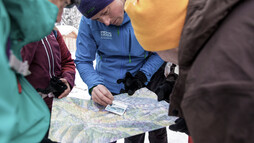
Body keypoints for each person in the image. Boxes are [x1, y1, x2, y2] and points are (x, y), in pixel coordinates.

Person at [124, 0, 254, 143]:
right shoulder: (238, 14)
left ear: (165, 42)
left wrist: (205, 125)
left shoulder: (209, 86)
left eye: (153, 50)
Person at [75, 0, 169, 142]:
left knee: (134, 138)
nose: (106, 22)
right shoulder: (88, 22)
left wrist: (143, 75)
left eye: (106, 12)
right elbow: (83, 60)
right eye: (98, 19)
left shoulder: (146, 12)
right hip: (106, 92)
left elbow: (160, 51)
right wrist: (94, 85)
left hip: (137, 89)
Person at [0, 0, 77, 142]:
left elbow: (67, 61)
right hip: (30, 115)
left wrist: (67, 80)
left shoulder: (54, 33)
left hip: (56, 110)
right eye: (62, 6)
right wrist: (33, 29)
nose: (59, 18)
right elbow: (19, 67)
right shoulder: (17, 32)